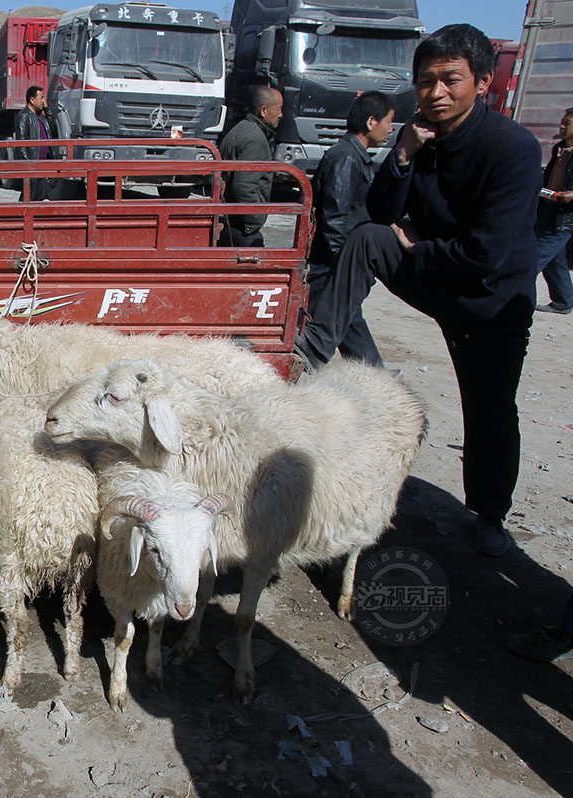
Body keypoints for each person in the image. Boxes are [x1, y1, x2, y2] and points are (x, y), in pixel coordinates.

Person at [295, 24, 542, 557]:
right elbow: (382, 214)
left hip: (488, 299)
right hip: (434, 272)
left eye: (450, 80)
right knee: (366, 240)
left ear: (480, 82)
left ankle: (490, 515)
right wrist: (402, 156)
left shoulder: (512, 149)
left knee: (490, 410)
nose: (435, 93)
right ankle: (307, 354)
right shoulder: (420, 136)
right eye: (425, 81)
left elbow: (485, 253)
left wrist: (414, 248)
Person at [306, 91, 396, 366]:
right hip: (332, 262)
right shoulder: (346, 158)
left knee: (345, 320)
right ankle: (373, 373)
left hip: (337, 260)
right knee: (337, 322)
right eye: (389, 122)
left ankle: (373, 372)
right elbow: (335, 218)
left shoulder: (352, 155)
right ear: (371, 122)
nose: (391, 130)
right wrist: (344, 266)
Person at [217, 86, 283, 247]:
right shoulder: (255, 139)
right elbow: (244, 186)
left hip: (230, 220)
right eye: (279, 109)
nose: (281, 115)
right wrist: (254, 220)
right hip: (239, 226)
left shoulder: (243, 129)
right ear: (264, 110)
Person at [533, 107, 573, 314]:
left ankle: (513, 300)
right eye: (563, 121)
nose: (562, 125)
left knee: (533, 258)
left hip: (566, 218)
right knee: (554, 261)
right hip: (549, 209)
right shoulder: (560, 148)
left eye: (568, 123)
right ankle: (563, 301)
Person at [14, 85, 53, 202]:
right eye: (41, 98)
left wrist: (47, 109)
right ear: (32, 99)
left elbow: (52, 127)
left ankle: (37, 219)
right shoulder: (23, 116)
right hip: (32, 163)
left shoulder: (40, 117)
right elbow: (21, 143)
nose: (43, 101)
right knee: (28, 196)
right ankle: (20, 218)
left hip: (42, 163)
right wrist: (28, 164)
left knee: (40, 196)